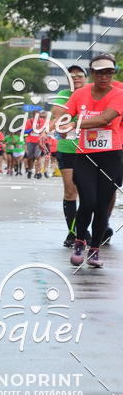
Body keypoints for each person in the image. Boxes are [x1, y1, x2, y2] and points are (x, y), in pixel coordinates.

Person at [53, 54, 123, 268]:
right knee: (88, 201)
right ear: (92, 73)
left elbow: (105, 118)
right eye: (100, 72)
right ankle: (80, 241)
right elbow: (64, 116)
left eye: (109, 72)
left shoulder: (119, 94)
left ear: (113, 73)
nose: (105, 76)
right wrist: (61, 126)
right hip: (85, 156)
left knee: (102, 204)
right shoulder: (80, 94)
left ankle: (94, 250)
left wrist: (75, 125)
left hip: (112, 156)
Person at [51, 65, 87, 246]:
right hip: (67, 149)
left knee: (88, 195)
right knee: (70, 191)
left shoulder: (92, 93)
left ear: (86, 77)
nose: (75, 78)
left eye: (79, 75)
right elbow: (58, 116)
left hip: (90, 150)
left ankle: (92, 229)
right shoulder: (63, 95)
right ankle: (73, 233)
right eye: (71, 76)